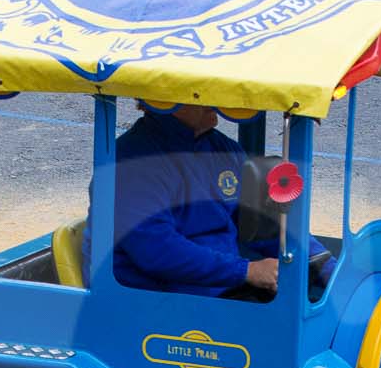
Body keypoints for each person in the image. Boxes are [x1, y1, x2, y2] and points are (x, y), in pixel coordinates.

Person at [96, 102, 279, 297]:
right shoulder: (133, 163)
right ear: (164, 100)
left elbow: (258, 224)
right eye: (199, 93)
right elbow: (157, 252)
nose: (214, 101)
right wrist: (246, 271)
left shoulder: (223, 149)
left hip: (223, 289)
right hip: (157, 300)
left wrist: (309, 256)